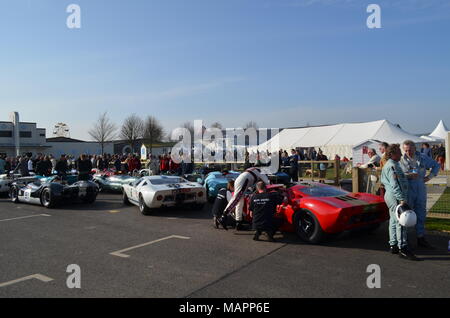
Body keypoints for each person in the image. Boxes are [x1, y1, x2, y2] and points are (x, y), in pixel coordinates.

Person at [400, 140, 440, 249]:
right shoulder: (401, 160)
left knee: (421, 213)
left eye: (410, 149)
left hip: (420, 189)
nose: (408, 152)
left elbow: (436, 165)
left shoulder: (422, 157)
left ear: (415, 148)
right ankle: (405, 240)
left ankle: (420, 237)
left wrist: (429, 177)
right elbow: (398, 175)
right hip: (408, 190)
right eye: (406, 150)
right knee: (407, 214)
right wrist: (408, 176)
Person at [381, 144, 418, 261]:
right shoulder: (392, 166)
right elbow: (395, 184)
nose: (401, 154)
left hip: (391, 195)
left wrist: (407, 176)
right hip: (396, 196)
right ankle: (403, 247)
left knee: (393, 220)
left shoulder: (392, 165)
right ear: (392, 154)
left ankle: (394, 244)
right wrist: (401, 199)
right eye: (398, 152)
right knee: (402, 221)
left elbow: (397, 179)